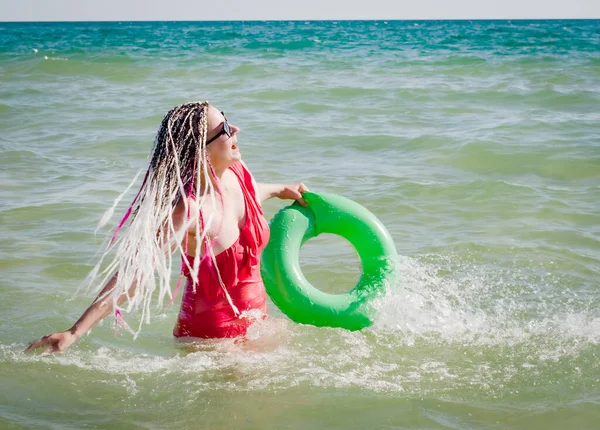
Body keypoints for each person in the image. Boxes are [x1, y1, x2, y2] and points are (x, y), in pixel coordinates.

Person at [26, 101, 308, 353]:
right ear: (202, 150)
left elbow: (246, 195)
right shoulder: (188, 211)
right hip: (210, 341)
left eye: (226, 118)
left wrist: (281, 188)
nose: (235, 128)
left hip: (256, 320)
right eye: (223, 127)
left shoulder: (237, 171)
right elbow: (137, 270)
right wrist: (76, 331)